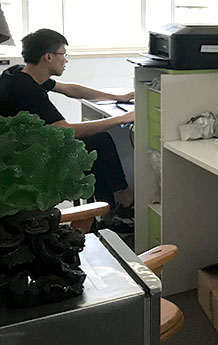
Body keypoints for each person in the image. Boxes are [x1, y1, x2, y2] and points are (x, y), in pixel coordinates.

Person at [0, 28, 134, 212]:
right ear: (48, 57)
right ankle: (122, 200)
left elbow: (71, 89)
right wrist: (119, 119)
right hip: (29, 159)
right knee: (99, 142)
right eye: (63, 54)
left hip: (20, 150)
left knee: (97, 144)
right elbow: (65, 129)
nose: (66, 60)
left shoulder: (18, 73)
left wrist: (118, 97)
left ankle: (109, 209)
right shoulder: (27, 90)